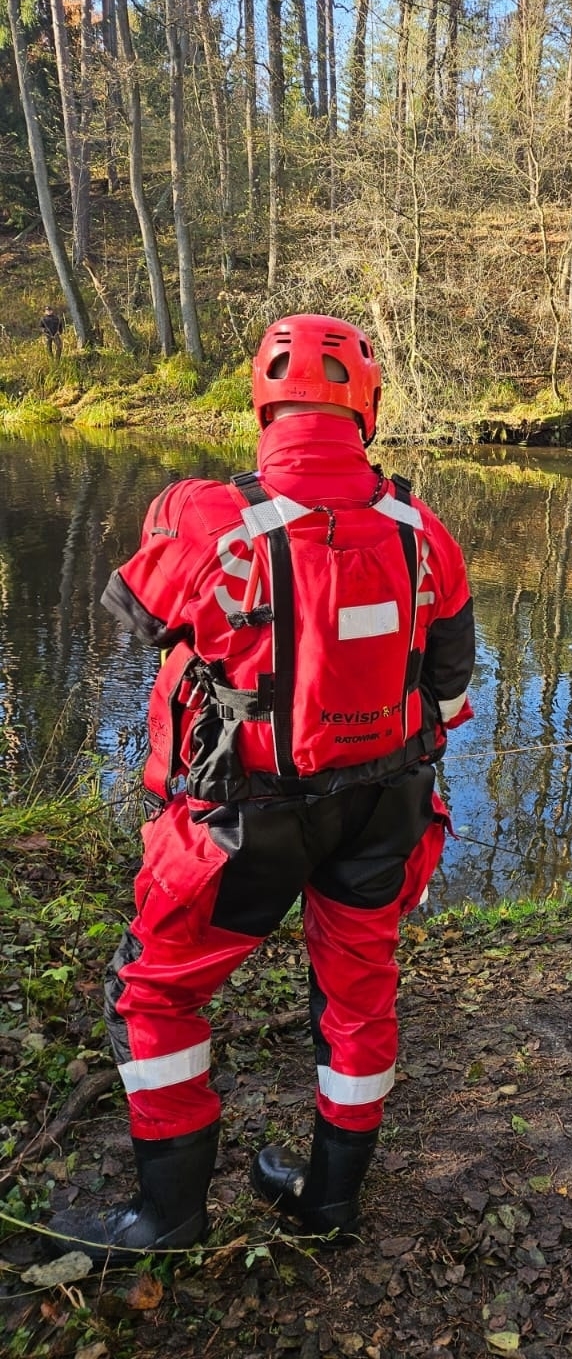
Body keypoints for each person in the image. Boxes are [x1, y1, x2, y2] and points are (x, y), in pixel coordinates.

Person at [49, 313, 475, 1263]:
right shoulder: (424, 530)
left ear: (264, 402)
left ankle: (167, 1216)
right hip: (387, 807)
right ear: (366, 407)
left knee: (152, 995)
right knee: (359, 998)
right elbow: (451, 686)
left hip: (250, 820)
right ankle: (328, 1202)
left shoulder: (206, 516)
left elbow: (139, 622)